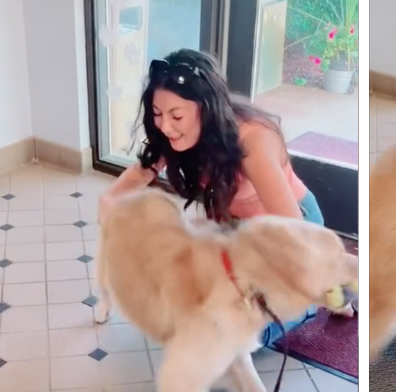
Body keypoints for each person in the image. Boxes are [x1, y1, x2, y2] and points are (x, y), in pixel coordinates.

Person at [97, 49, 354, 343]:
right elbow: (142, 171)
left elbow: (296, 234)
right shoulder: (178, 133)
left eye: (176, 115)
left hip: (289, 231)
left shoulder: (253, 140)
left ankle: (327, 298)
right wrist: (110, 200)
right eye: (157, 114)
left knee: (241, 331)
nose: (165, 126)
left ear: (207, 108)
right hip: (234, 232)